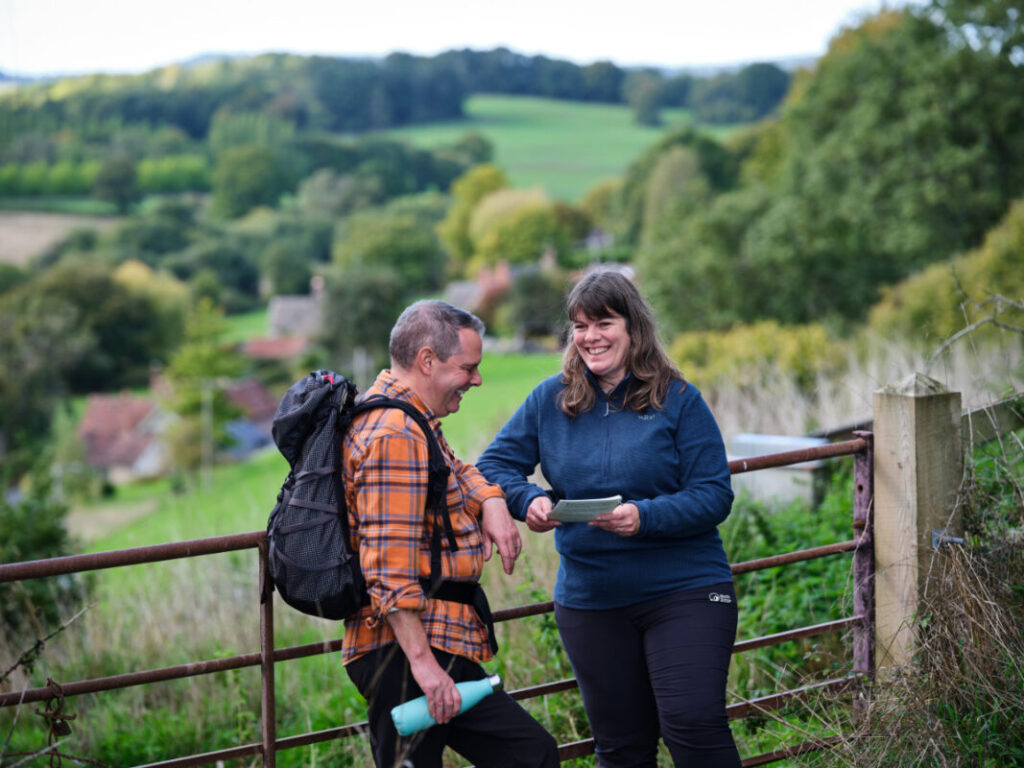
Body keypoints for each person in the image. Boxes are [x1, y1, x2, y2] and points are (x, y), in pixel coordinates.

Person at [477, 270, 741, 768]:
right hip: (591, 601)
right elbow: (493, 466)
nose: (590, 337)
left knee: (692, 725)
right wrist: (526, 499)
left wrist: (644, 516)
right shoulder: (549, 399)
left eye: (604, 323)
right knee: (621, 748)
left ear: (633, 326)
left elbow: (714, 495)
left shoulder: (678, 399)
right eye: (580, 326)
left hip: (684, 590)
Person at [341, 299, 559, 768]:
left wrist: (492, 500)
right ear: (427, 360)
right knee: (530, 754)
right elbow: (388, 565)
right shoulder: (395, 434)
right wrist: (424, 667)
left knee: (527, 754)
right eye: (468, 367)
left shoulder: (408, 418)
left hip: (419, 642)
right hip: (406, 650)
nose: (477, 380)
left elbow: (458, 470)